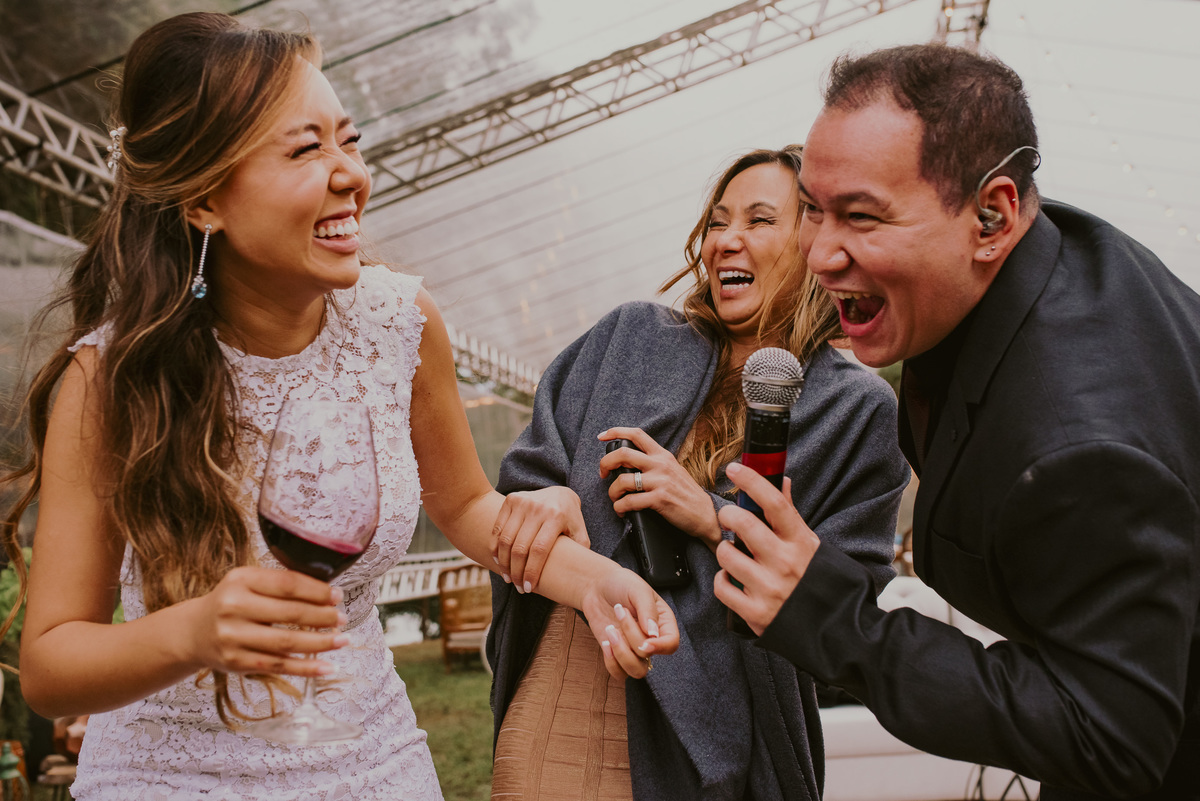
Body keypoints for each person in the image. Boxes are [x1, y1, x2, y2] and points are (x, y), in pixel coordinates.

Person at [0, 13, 678, 800]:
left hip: (371, 762)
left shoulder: (402, 323)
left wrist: (595, 582)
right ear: (203, 201)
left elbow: (466, 508)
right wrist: (194, 630)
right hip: (165, 779)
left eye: (347, 141)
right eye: (304, 149)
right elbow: (50, 667)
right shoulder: (111, 380)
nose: (349, 172)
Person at [715, 44, 1200, 801]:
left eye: (863, 217)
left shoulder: (1079, 444)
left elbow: (1113, 739)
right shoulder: (1018, 267)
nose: (819, 253)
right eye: (813, 207)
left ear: (992, 217)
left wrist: (835, 616)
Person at [487, 146, 910, 800]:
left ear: (816, 242)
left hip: (719, 739)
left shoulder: (855, 407)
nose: (726, 241)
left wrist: (712, 520)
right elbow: (524, 477)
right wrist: (542, 495)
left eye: (759, 220)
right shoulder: (627, 336)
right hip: (565, 691)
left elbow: (849, 612)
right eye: (717, 222)